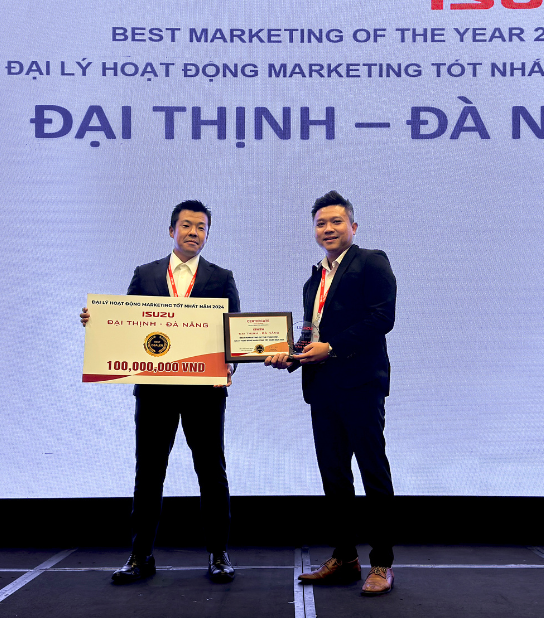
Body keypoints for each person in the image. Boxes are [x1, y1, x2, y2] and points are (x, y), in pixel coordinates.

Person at [80, 199, 240, 585]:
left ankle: (219, 554)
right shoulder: (145, 274)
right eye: (186, 225)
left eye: (201, 227)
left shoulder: (222, 277)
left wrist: (230, 365)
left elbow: (234, 336)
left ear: (207, 235)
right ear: (172, 230)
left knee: (211, 471)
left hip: (204, 393)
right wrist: (97, 322)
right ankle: (140, 556)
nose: (193, 233)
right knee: (149, 473)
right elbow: (124, 325)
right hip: (154, 392)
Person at [265, 191, 398, 596]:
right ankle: (345, 558)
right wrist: (290, 357)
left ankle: (382, 563)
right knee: (335, 477)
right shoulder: (314, 280)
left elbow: (382, 318)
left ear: (353, 227)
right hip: (322, 389)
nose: (328, 228)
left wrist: (333, 347)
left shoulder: (371, 261)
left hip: (361, 386)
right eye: (321, 223)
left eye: (336, 221)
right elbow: (312, 335)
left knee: (373, 473)